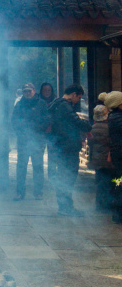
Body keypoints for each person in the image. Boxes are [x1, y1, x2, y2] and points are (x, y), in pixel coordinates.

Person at [48, 83, 92, 216]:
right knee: (67, 177)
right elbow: (75, 121)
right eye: (78, 97)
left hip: (60, 146)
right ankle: (65, 208)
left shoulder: (56, 104)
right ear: (74, 94)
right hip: (66, 147)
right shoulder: (64, 106)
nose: (78, 100)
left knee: (64, 177)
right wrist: (88, 126)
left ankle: (65, 206)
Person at [11, 83, 48, 200]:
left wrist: (39, 130)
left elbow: (47, 119)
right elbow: (14, 121)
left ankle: (38, 192)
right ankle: (20, 192)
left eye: (29, 91)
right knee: (21, 167)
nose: (27, 93)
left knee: (38, 167)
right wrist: (20, 133)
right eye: (25, 91)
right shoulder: (19, 105)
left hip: (38, 140)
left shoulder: (41, 104)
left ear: (34, 90)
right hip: (23, 140)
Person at [88, 100, 113, 211]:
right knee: (109, 182)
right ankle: (107, 204)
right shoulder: (109, 128)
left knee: (99, 182)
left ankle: (99, 205)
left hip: (96, 159)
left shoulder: (92, 128)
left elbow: (90, 143)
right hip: (107, 159)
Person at [103, 91, 122, 222]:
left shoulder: (112, 116)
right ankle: (118, 212)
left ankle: (116, 211)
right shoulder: (119, 118)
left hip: (116, 153)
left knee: (118, 181)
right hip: (120, 153)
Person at [39, 82, 55, 178]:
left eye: (49, 90)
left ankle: (52, 176)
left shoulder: (55, 101)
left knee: (52, 155)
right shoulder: (37, 102)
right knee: (39, 155)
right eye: (45, 90)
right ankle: (39, 177)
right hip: (40, 132)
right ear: (41, 91)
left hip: (52, 133)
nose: (47, 92)